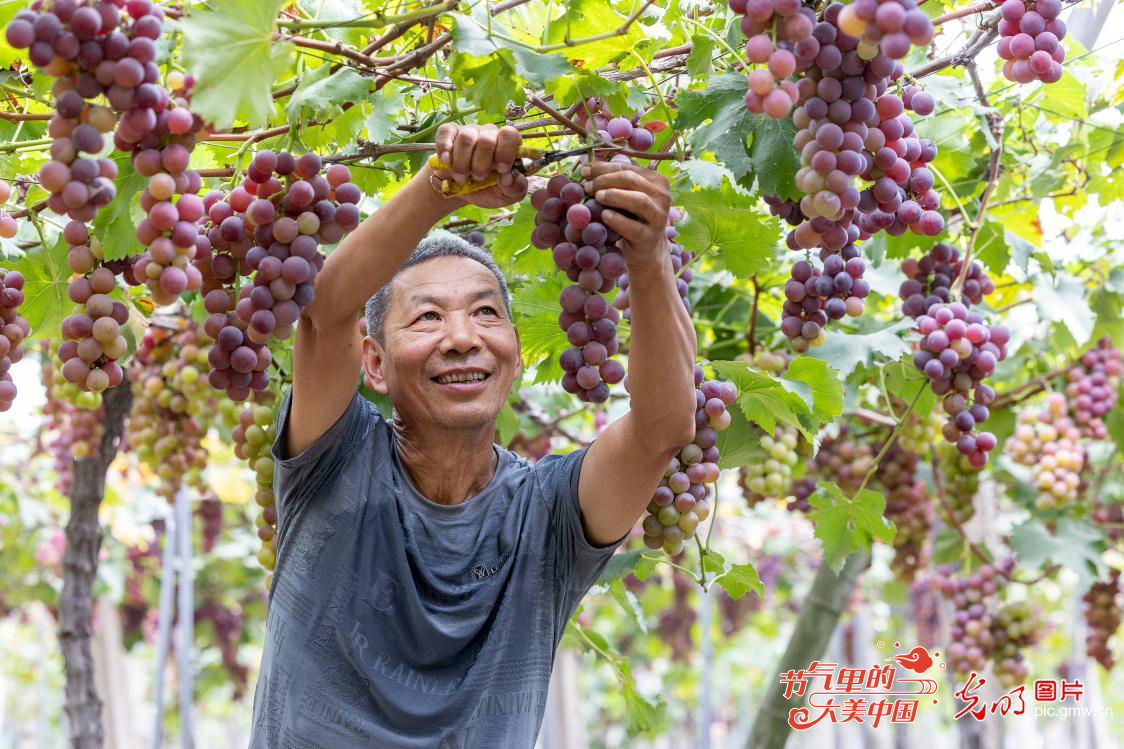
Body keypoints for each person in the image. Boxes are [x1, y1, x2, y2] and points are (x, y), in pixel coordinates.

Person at [247, 122, 697, 748]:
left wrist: (646, 262)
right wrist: (442, 187)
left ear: (512, 350)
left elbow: (661, 429)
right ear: (373, 362)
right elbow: (326, 314)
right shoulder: (334, 461)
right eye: (428, 317)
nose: (463, 337)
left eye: (486, 313)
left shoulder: (549, 516)